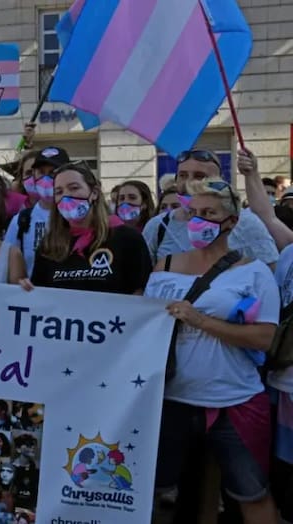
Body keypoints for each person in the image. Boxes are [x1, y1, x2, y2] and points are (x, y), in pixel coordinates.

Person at [144, 177, 280, 524]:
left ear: (231, 221)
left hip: (234, 402)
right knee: (158, 497)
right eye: (193, 213)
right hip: (170, 401)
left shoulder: (254, 272)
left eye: (209, 213)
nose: (198, 221)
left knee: (252, 495)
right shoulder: (165, 266)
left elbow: (264, 338)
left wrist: (201, 321)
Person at [238, 149, 293, 522]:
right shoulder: (289, 248)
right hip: (282, 387)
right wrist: (253, 174)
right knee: (285, 474)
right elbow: (264, 213)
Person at [24, 163, 152, 294]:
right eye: (59, 192)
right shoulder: (48, 245)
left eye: (74, 188)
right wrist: (25, 290)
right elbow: (40, 295)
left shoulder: (127, 238)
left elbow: (142, 292)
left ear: (94, 193)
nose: (66, 196)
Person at [141, 149, 278, 267]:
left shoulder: (247, 223)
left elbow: (268, 276)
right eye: (183, 175)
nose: (189, 182)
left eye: (199, 176)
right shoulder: (157, 226)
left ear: (219, 180)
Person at [5, 146, 72, 276]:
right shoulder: (20, 221)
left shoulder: (78, 218)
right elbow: (8, 268)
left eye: (53, 173)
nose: (46, 179)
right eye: (41, 172)